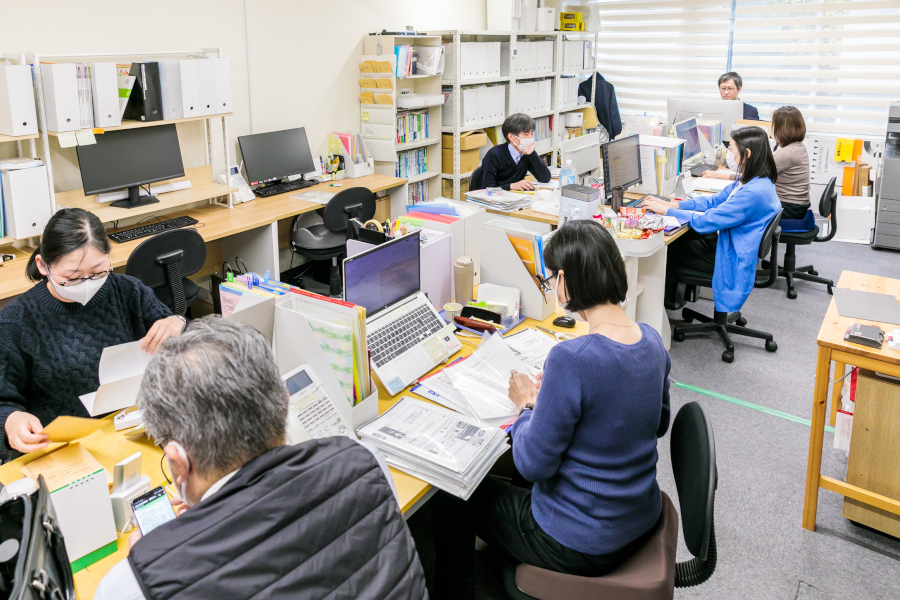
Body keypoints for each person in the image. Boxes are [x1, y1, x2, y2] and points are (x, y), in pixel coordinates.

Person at [95, 316, 427, 600]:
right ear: (285, 404)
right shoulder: (363, 459)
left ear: (178, 462)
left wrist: (161, 553)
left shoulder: (134, 583)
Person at [431, 220, 671, 600]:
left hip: (581, 542)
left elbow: (532, 465)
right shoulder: (652, 341)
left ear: (565, 280)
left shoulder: (571, 359)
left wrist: (528, 404)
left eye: (550, 280)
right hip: (637, 516)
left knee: (449, 498)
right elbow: (658, 423)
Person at [0, 208, 184, 459]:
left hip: (137, 429)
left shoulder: (129, 291)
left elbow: (184, 349)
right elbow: (3, 400)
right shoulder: (15, 322)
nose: (88, 284)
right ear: (43, 265)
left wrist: (179, 322)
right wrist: (10, 419)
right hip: (65, 449)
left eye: (98, 272)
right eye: (72, 278)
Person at [643, 127, 781, 315]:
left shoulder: (752, 192)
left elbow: (707, 221)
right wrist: (676, 205)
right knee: (682, 237)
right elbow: (714, 201)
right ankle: (669, 304)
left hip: (732, 255)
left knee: (669, 248)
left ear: (746, 154)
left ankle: (663, 310)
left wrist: (666, 210)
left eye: (731, 150)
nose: (729, 155)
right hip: (732, 242)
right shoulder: (754, 179)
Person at [702, 106, 811, 220]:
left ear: (782, 128)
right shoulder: (796, 146)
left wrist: (716, 175)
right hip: (795, 205)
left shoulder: (787, 153)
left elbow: (752, 175)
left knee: (737, 210)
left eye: (773, 124)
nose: (771, 127)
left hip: (789, 207)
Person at [480, 113, 552, 191]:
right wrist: (511, 186)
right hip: (494, 199)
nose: (531, 138)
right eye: (526, 134)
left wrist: (532, 154)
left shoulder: (526, 152)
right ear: (511, 137)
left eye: (532, 133)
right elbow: (487, 189)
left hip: (514, 196)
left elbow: (545, 178)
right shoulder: (494, 155)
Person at [578, 72, 622, 140]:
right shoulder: (609, 86)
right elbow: (614, 111)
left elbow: (580, 107)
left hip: (588, 127)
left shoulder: (582, 86)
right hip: (606, 126)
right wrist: (617, 130)